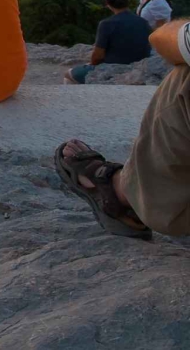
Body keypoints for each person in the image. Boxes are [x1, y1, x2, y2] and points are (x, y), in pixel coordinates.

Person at [56, 17, 190, 239]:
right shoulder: (138, 18)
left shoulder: (107, 24)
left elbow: (162, 39)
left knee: (185, 77)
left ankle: (123, 193)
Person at [65, 0, 153, 84]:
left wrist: (91, 64)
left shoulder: (106, 24)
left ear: (107, 3)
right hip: (138, 68)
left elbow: (98, 56)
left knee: (68, 74)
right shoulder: (144, 22)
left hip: (112, 68)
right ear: (127, 0)